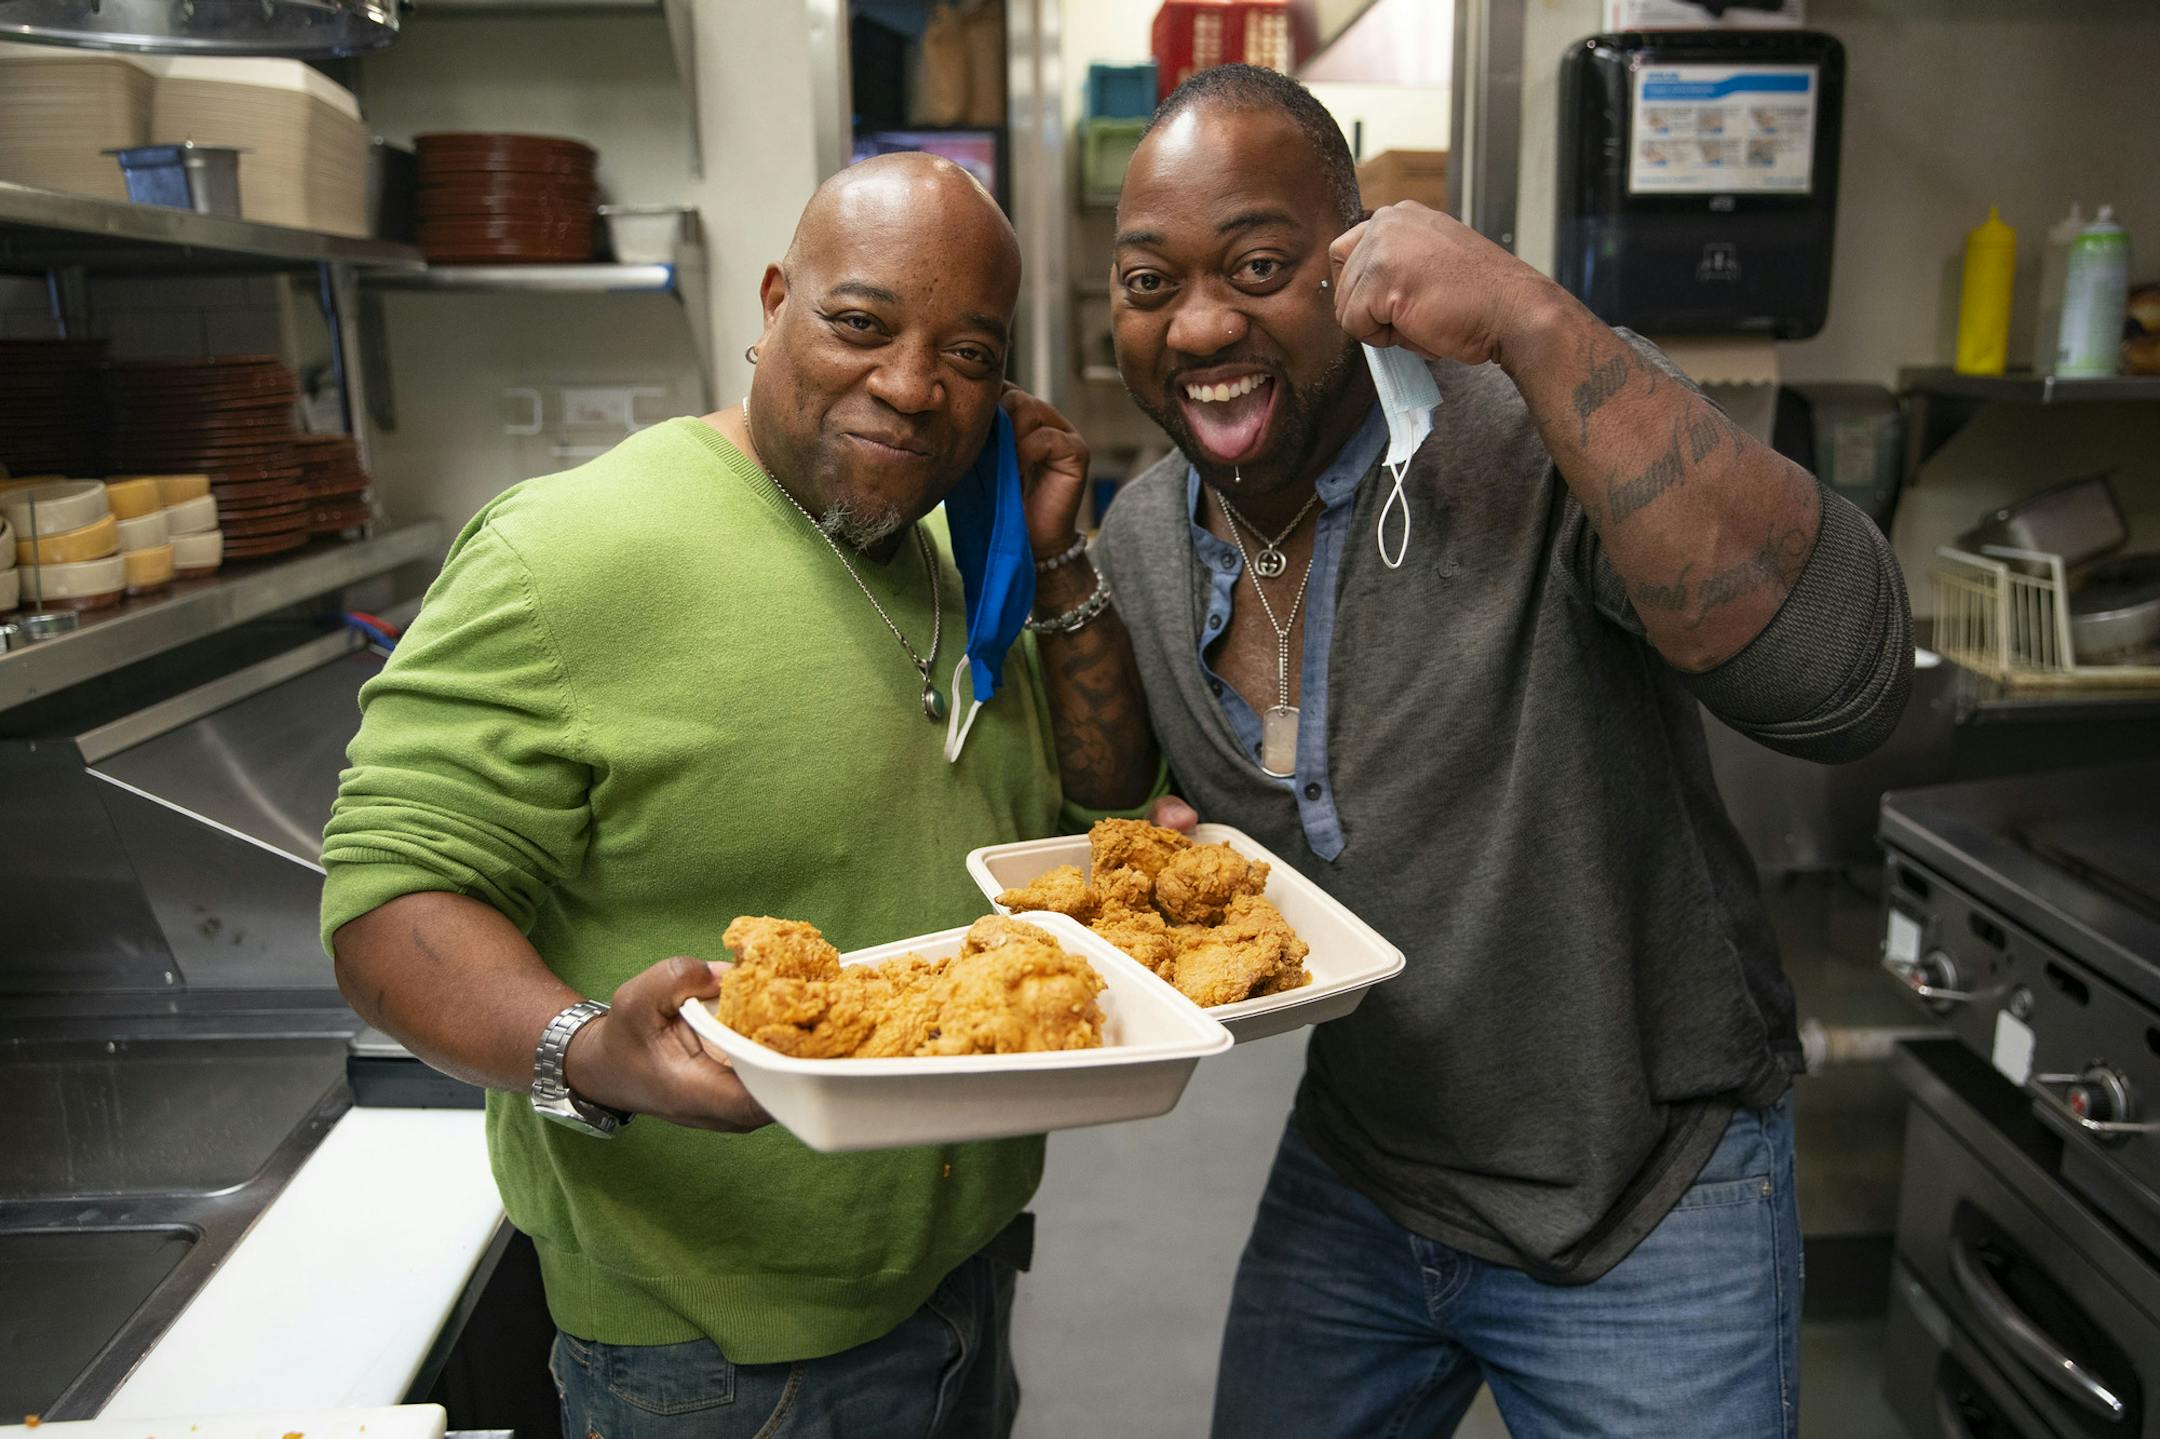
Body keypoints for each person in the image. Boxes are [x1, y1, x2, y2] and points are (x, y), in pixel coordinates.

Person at [1044, 66, 1911, 1438]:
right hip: (1366, 1167)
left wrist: (1527, 316)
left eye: (1261, 265)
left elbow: (1843, 679)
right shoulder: (1147, 540)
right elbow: (1101, 816)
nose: (1201, 321)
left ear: (1354, 255)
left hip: (1641, 1184)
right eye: (1150, 283)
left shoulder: (1524, 440)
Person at [321, 153, 1113, 1439]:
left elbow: (1096, 799)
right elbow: (387, 900)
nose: (911, 386)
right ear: (771, 302)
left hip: (963, 1271)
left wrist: (1058, 542)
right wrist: (587, 1048)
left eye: (968, 353)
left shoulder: (947, 558)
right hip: (713, 1361)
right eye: (861, 324)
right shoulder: (570, 551)